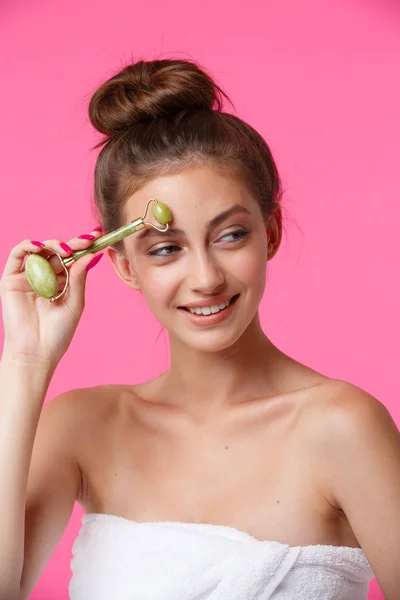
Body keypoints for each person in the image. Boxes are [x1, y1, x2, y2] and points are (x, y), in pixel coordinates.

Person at [0, 59, 399, 600]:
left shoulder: (344, 428)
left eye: (231, 235)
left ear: (271, 233)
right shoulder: (82, 427)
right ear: (122, 265)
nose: (206, 278)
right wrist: (26, 361)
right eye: (166, 249)